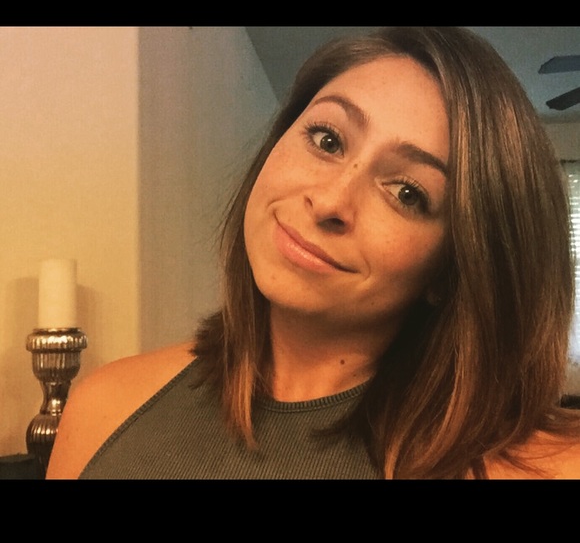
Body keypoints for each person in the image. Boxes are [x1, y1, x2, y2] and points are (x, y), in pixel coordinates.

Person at [46, 26, 580, 480]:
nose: (329, 202)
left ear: (452, 270)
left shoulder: (548, 467)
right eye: (327, 140)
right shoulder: (101, 410)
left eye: (407, 193)